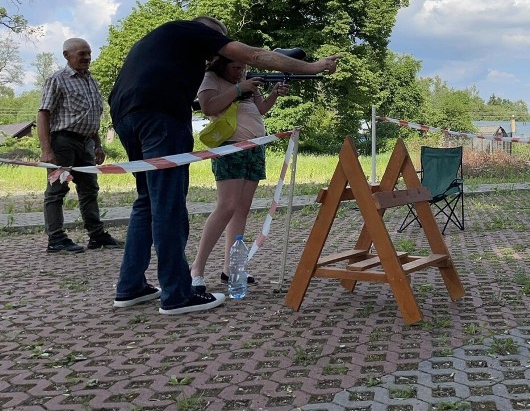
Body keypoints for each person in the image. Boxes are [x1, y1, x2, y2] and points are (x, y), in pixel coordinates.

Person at [108, 17, 340, 315]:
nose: (221, 53)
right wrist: (314, 66)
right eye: (221, 43)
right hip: (160, 116)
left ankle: (131, 287)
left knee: (147, 201)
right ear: (212, 34)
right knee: (168, 201)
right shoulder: (195, 32)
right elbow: (255, 55)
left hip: (127, 114)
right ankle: (177, 294)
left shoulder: (165, 42)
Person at [189, 57, 288, 293]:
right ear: (222, 66)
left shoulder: (244, 80)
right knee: (227, 206)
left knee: (242, 209)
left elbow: (260, 109)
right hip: (230, 147)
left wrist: (273, 93)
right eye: (235, 68)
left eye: (242, 68)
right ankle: (197, 269)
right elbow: (208, 107)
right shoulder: (211, 79)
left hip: (254, 147)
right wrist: (238, 89)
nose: (240, 72)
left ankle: (232, 268)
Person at [37, 38, 120, 254]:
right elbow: (43, 114)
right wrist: (47, 149)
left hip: (86, 144)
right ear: (67, 55)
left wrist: (98, 145)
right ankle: (56, 239)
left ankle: (96, 235)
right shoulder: (57, 79)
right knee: (57, 190)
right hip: (62, 144)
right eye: (82, 53)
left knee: (89, 189)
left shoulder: (90, 80)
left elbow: (90, 115)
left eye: (89, 53)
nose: (87, 58)